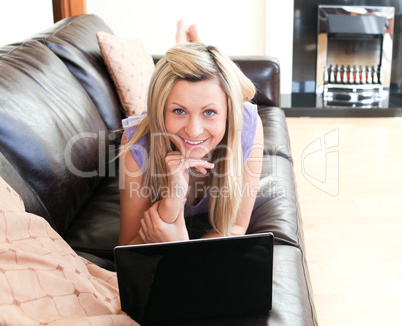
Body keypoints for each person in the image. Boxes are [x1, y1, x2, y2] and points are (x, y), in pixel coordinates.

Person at [118, 20, 264, 245]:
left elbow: (236, 227)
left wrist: (182, 246)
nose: (194, 131)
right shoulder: (135, 142)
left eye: (209, 112)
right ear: (160, 111)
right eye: (178, 110)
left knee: (203, 82)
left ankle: (192, 44)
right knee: (187, 88)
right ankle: (183, 44)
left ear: (228, 113)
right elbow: (129, 245)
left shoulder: (248, 125)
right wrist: (171, 201)